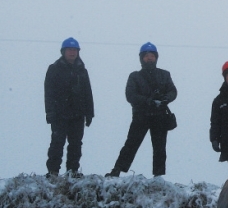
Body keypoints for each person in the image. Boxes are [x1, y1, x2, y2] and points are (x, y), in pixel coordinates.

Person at [106, 42, 177, 178]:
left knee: (160, 148)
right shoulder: (135, 76)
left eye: (152, 55)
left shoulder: (164, 75)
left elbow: (173, 91)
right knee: (131, 144)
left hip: (160, 116)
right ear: (141, 58)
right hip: (141, 116)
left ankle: (158, 175)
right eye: (146, 56)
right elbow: (130, 95)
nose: (149, 58)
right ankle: (117, 170)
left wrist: (165, 99)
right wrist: (148, 101)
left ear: (156, 57)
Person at [44, 37, 95, 178]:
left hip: (78, 114)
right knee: (57, 143)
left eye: (74, 50)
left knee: (76, 144)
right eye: (69, 50)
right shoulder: (54, 69)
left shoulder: (82, 70)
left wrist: (90, 113)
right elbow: (48, 92)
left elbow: (88, 92)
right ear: (63, 52)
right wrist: (50, 112)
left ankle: (72, 171)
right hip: (59, 114)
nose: (72, 52)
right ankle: (53, 171)